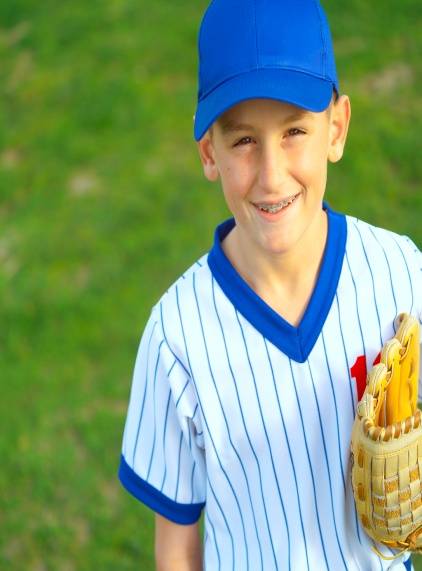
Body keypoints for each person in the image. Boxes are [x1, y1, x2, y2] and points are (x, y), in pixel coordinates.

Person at [118, 1, 421, 569]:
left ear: (337, 128)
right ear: (209, 153)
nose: (272, 174)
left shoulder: (399, 273)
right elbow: (177, 544)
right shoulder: (176, 336)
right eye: (243, 141)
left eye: (295, 131)